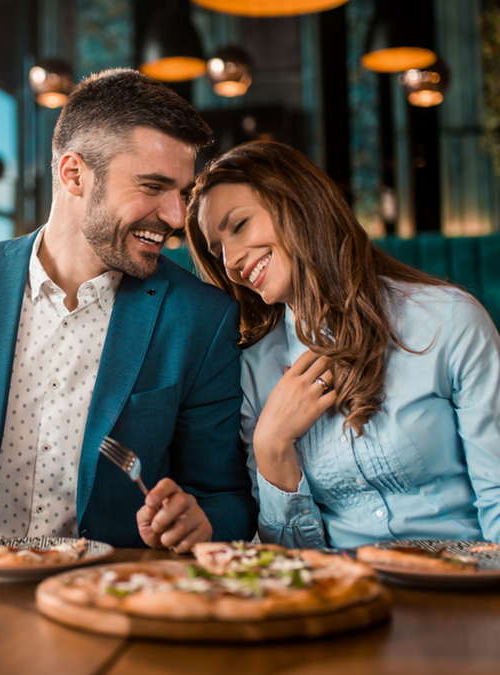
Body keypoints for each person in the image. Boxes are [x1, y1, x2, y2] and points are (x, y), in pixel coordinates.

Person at [0, 68, 257, 551]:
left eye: (183, 193)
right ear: (74, 174)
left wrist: (200, 522)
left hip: (107, 595)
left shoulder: (202, 319)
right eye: (153, 187)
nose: (176, 217)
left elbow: (226, 499)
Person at [185, 140, 500, 548]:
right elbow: (290, 561)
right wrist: (272, 444)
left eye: (239, 225)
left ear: (297, 204)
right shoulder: (253, 369)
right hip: (341, 596)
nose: (229, 260)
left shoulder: (448, 320)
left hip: (460, 586)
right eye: (218, 250)